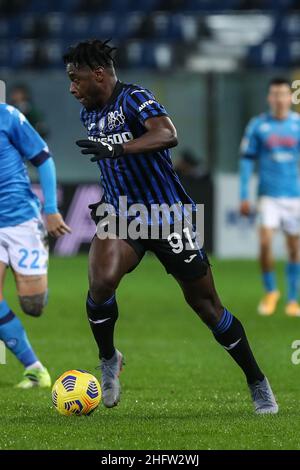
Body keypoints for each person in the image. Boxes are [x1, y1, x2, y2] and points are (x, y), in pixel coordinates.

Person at [64, 38, 278, 414]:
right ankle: (109, 359)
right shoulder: (89, 112)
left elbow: (167, 134)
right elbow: (114, 167)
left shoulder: (134, 98)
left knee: (208, 307)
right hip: (122, 214)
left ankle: (257, 380)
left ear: (98, 73)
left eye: (76, 78)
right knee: (100, 283)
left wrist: (119, 148)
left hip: (167, 216)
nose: (71, 88)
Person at [0, 103, 71, 388]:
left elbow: (43, 159)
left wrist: (51, 209)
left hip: (22, 222)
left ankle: (31, 273)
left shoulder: (8, 116)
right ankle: (35, 369)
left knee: (33, 305)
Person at [240, 77, 300, 317]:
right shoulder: (258, 125)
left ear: (290, 97)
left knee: (295, 249)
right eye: (274, 94)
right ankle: (271, 291)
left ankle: (293, 299)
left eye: (283, 94)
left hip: (295, 196)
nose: (279, 99)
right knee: (265, 242)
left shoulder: (297, 124)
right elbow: (246, 160)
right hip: (268, 196)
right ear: (269, 98)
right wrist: (244, 195)